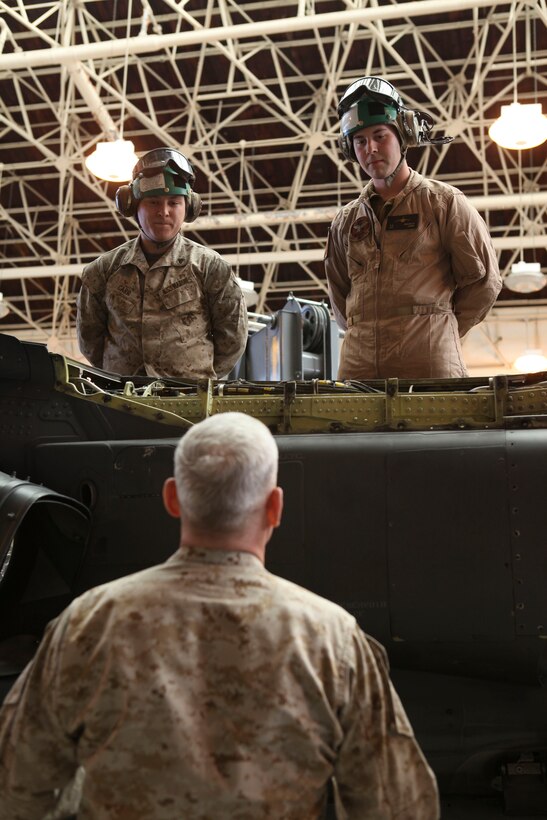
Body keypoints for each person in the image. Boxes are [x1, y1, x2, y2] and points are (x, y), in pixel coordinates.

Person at [0, 412, 440, 820]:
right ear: (275, 507)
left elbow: (17, 786)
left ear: (172, 497)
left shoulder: (89, 622)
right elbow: (395, 805)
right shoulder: (331, 638)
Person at [325, 76, 502, 381]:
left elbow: (484, 281)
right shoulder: (345, 222)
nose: (371, 149)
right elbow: (340, 297)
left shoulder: (443, 203)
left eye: (380, 136)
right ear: (350, 149)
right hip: (359, 368)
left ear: (404, 134)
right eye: (360, 141)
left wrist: (437, 328)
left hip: (429, 364)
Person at [77, 147, 248, 379]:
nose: (164, 212)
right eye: (154, 203)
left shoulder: (211, 268)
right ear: (133, 206)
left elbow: (233, 338)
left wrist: (195, 379)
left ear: (189, 207)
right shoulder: (102, 271)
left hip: (189, 404)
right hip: (121, 400)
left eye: (174, 202)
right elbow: (90, 340)